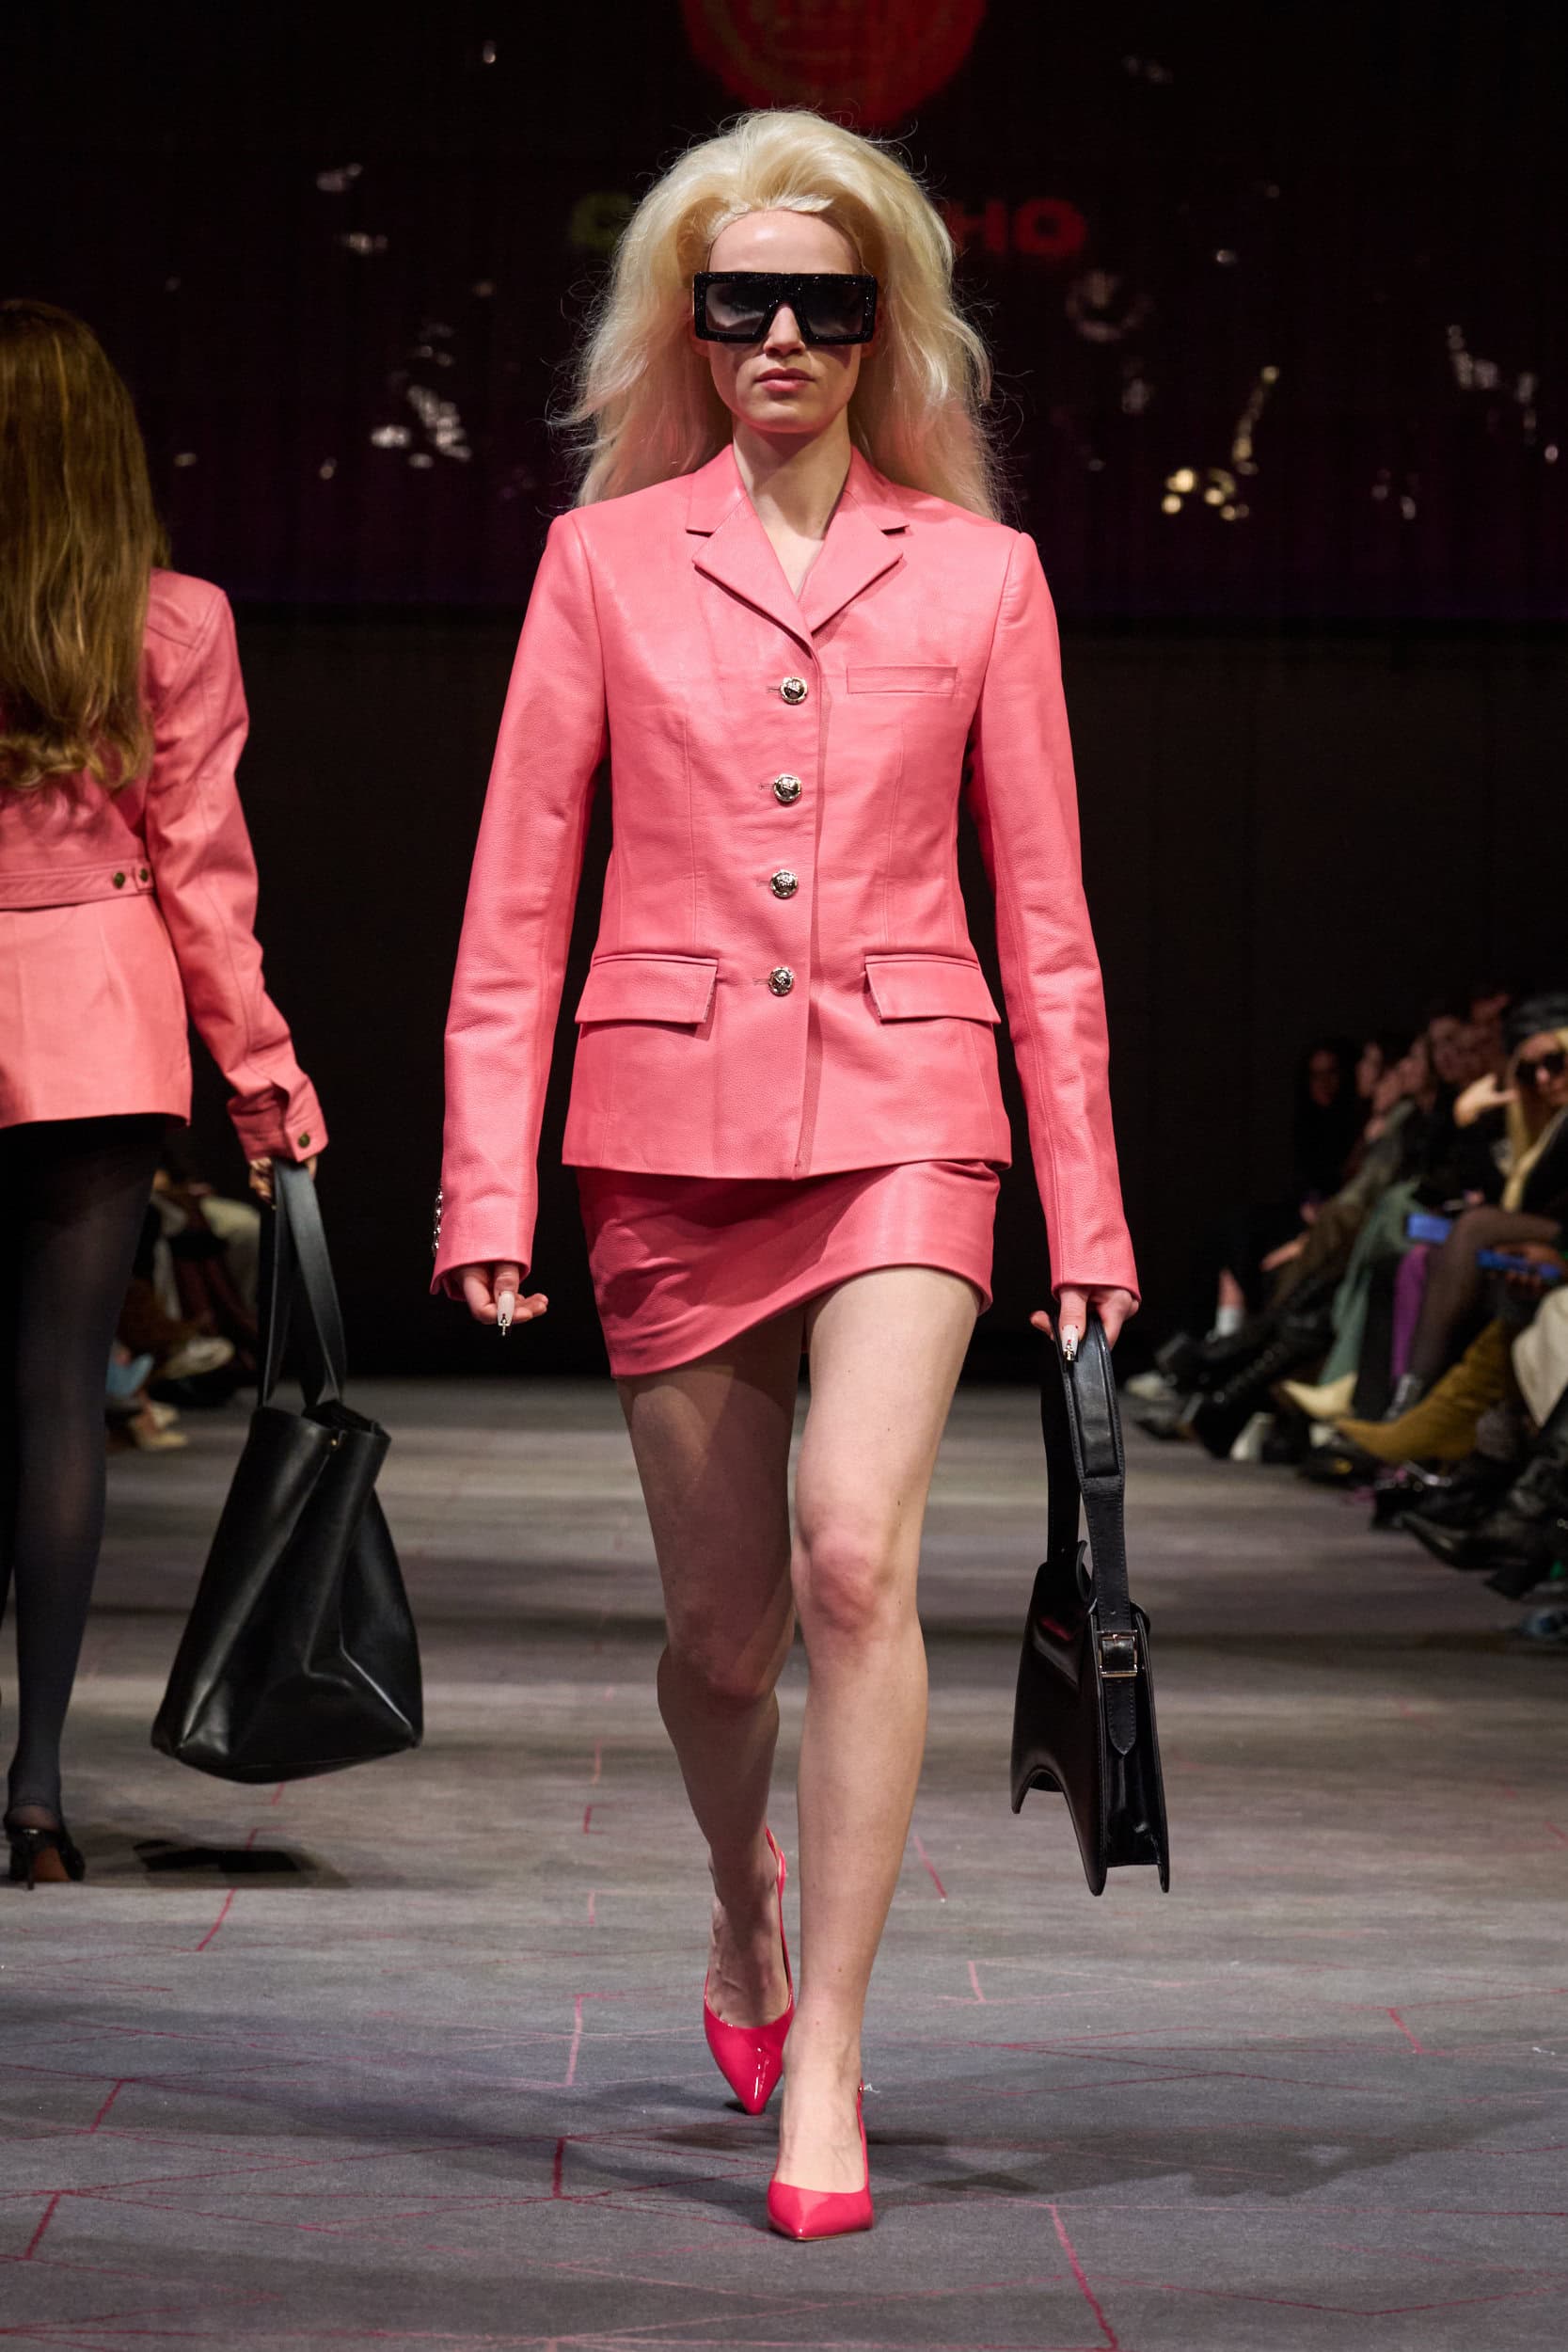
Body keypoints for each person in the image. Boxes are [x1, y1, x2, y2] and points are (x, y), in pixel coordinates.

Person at [434, 111, 1136, 2240]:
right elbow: (518, 894)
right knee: (724, 1640)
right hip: (664, 1130)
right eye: (741, 299)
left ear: (879, 328)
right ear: (690, 320)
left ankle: (826, 2044)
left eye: (825, 305)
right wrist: (482, 1184)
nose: (781, 338)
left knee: (853, 1560)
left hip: (914, 1110)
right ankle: (740, 1913)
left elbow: (1048, 924)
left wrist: (1087, 1205)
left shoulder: (985, 575)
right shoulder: (600, 562)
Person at [0, 301, 325, 1887]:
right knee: (61, 1398)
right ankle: (36, 1792)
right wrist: (265, 1084)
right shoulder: (174, 623)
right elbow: (203, 875)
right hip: (96, 1029)